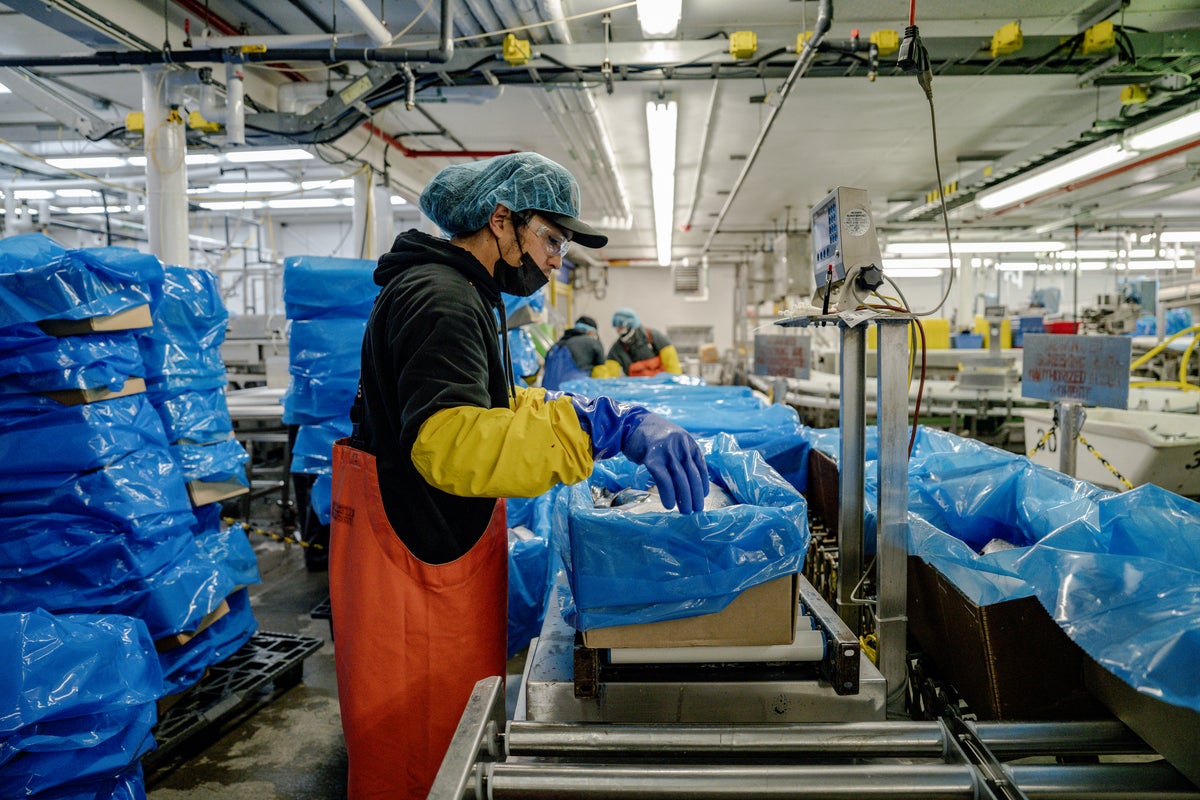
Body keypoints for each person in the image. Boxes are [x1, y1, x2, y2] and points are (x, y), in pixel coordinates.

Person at [328, 151, 709, 799]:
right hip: (414, 575)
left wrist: (589, 412)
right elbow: (452, 444)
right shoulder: (441, 298)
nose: (557, 259)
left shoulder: (463, 291)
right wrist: (597, 430)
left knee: (448, 751)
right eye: (551, 239)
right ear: (501, 222)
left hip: (428, 551)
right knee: (422, 765)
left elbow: (492, 407)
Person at [541, 314, 614, 389]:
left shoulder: (554, 346)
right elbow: (601, 376)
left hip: (547, 396)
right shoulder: (592, 343)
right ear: (591, 332)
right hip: (574, 396)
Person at [606, 306, 683, 376]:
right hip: (636, 388)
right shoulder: (617, 349)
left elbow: (673, 366)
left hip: (659, 386)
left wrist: (674, 384)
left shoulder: (653, 337)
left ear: (631, 325)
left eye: (621, 328)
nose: (618, 331)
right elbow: (609, 376)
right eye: (617, 328)